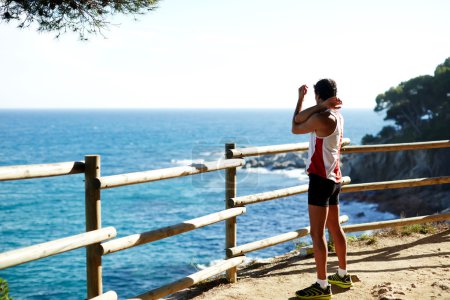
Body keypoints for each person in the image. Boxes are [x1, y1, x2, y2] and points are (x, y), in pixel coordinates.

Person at [291, 79, 352, 299]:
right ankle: (343, 275)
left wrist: (300, 99)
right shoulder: (337, 115)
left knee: (317, 234)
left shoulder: (322, 117)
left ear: (318, 95)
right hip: (334, 178)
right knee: (335, 227)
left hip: (319, 179)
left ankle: (322, 285)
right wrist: (322, 104)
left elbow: (295, 125)